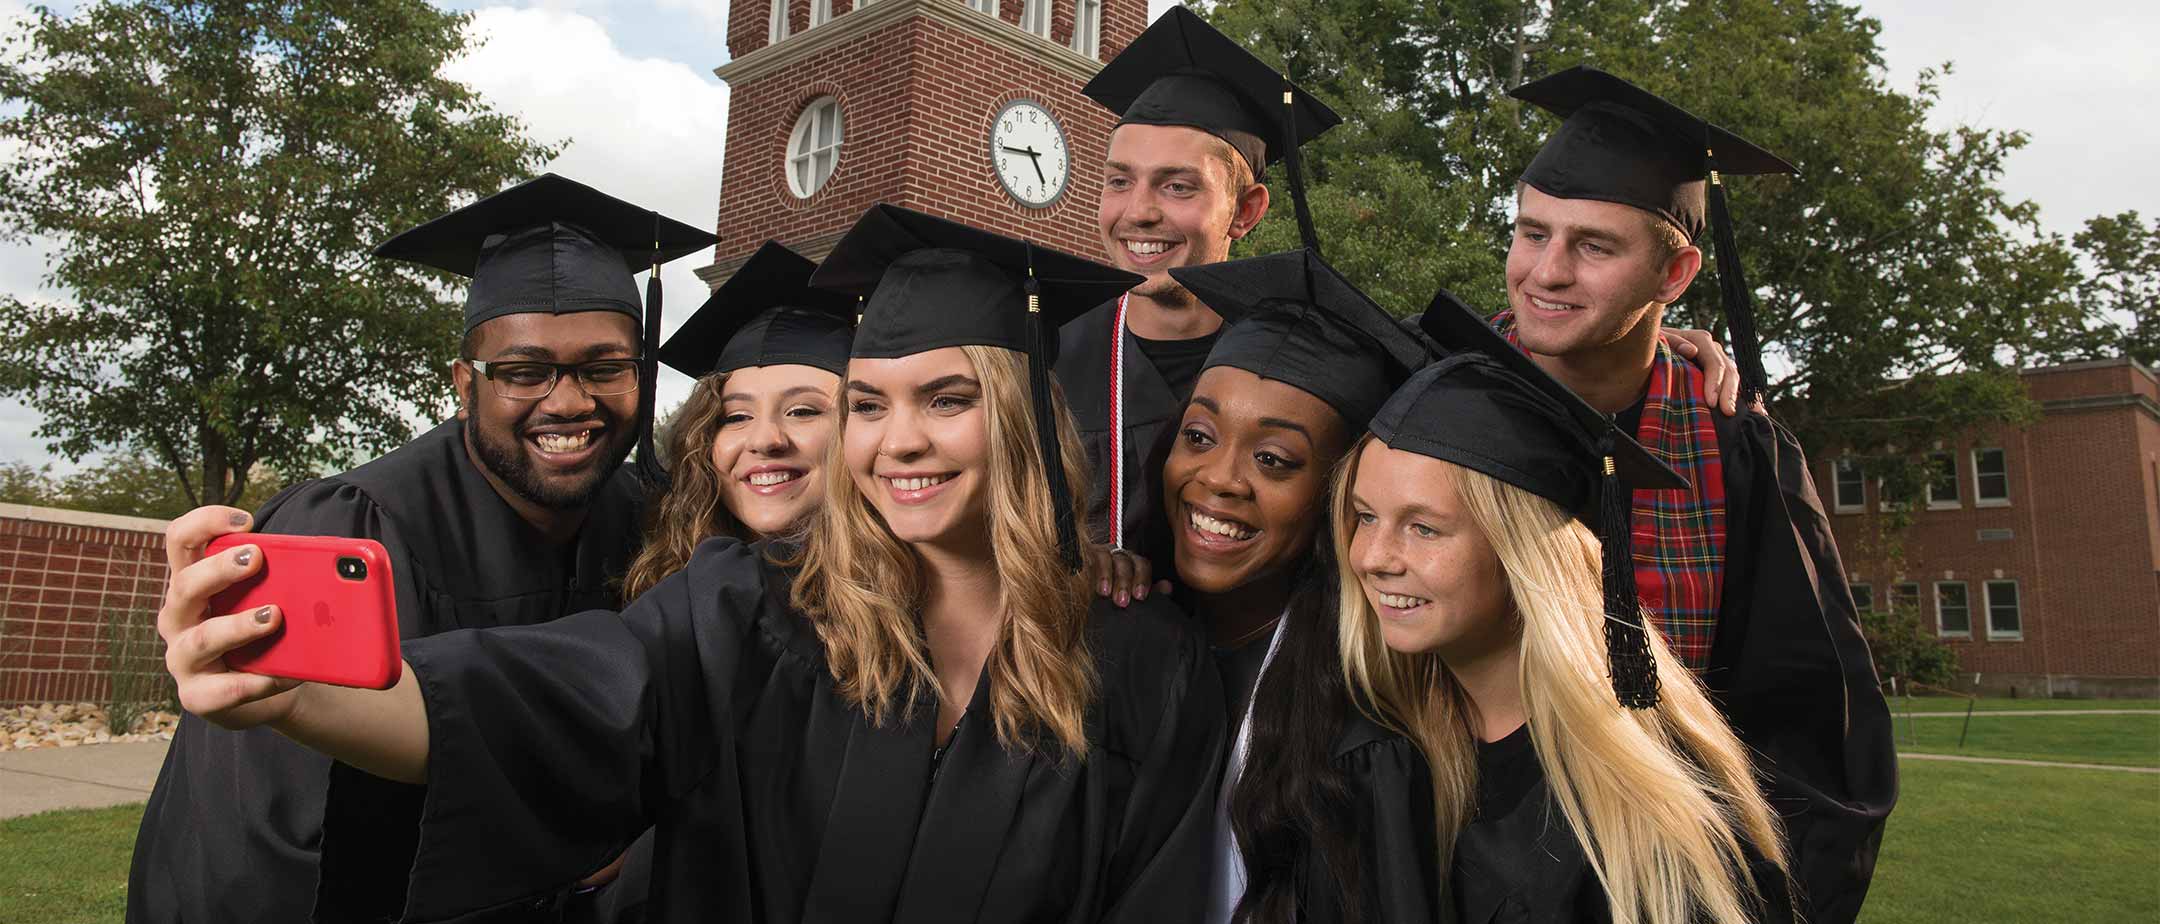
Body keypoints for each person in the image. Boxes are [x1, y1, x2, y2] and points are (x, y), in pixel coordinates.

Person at [150, 204, 1227, 923]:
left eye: (948, 401)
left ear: (1024, 420)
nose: (899, 441)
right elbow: (545, 700)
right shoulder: (758, 606)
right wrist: (293, 696)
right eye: (866, 403)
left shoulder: (1142, 659)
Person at [126, 173, 715, 924]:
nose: (568, 401)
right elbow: (273, 841)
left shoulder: (650, 524)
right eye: (525, 372)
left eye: (604, 368)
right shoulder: (349, 526)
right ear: (464, 384)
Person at [1500, 66, 1896, 921]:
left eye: (1595, 246)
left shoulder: (1733, 444)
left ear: (1673, 275)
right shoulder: (1435, 394)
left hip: (1653, 875)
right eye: (1532, 233)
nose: (1546, 272)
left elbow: (1810, 725)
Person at [1340, 291, 1793, 923]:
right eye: (1365, 516)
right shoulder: (1397, 744)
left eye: (1424, 528)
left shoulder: (1643, 818)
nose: (1374, 557)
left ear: (1522, 552)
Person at [1158, 250, 1440, 923]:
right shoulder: (1123, 635)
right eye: (1198, 435)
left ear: (1336, 497)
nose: (1221, 478)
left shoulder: (1365, 727)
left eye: (1273, 459)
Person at [1058, 6, 1339, 577]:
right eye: (1119, 181)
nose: (1137, 212)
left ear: (1245, 211)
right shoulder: (1047, 356)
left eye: (1178, 186)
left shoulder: (1304, 368)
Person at [622, 240, 856, 597]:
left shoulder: (921, 603)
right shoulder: (671, 596)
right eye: (735, 416)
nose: (765, 440)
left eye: (803, 411)